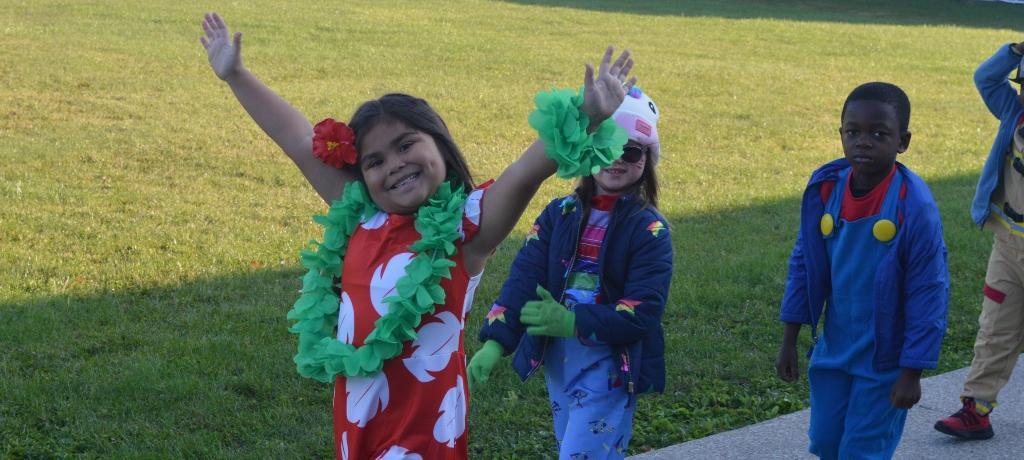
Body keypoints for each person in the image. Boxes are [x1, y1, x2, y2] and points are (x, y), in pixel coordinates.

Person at [199, 12, 637, 459]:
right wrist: (236, 75)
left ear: (439, 143)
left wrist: (586, 115)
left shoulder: (467, 228)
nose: (394, 165)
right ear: (361, 175)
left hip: (427, 437)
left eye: (407, 145)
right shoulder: (359, 218)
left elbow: (524, 173)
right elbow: (295, 138)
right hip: (359, 427)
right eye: (375, 161)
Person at [468, 87, 672, 459]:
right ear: (587, 149)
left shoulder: (650, 230)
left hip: (609, 365)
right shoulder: (557, 215)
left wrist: (571, 321)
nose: (616, 159)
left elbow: (643, 310)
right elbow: (524, 279)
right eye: (606, 145)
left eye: (631, 150)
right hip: (560, 361)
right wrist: (496, 341)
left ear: (647, 159)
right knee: (577, 449)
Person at [775, 82, 949, 459]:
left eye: (878, 134)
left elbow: (929, 291)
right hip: (834, 348)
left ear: (903, 141)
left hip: (884, 356)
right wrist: (790, 334)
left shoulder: (913, 206)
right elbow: (804, 263)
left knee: (862, 450)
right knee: (824, 442)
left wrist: (912, 371)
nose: (863, 142)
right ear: (841, 135)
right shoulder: (825, 189)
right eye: (853, 132)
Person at [934, 41, 1024, 441]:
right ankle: (976, 409)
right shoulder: (1013, 113)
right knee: (994, 330)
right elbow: (985, 78)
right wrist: (1016, 49)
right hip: (1008, 245)